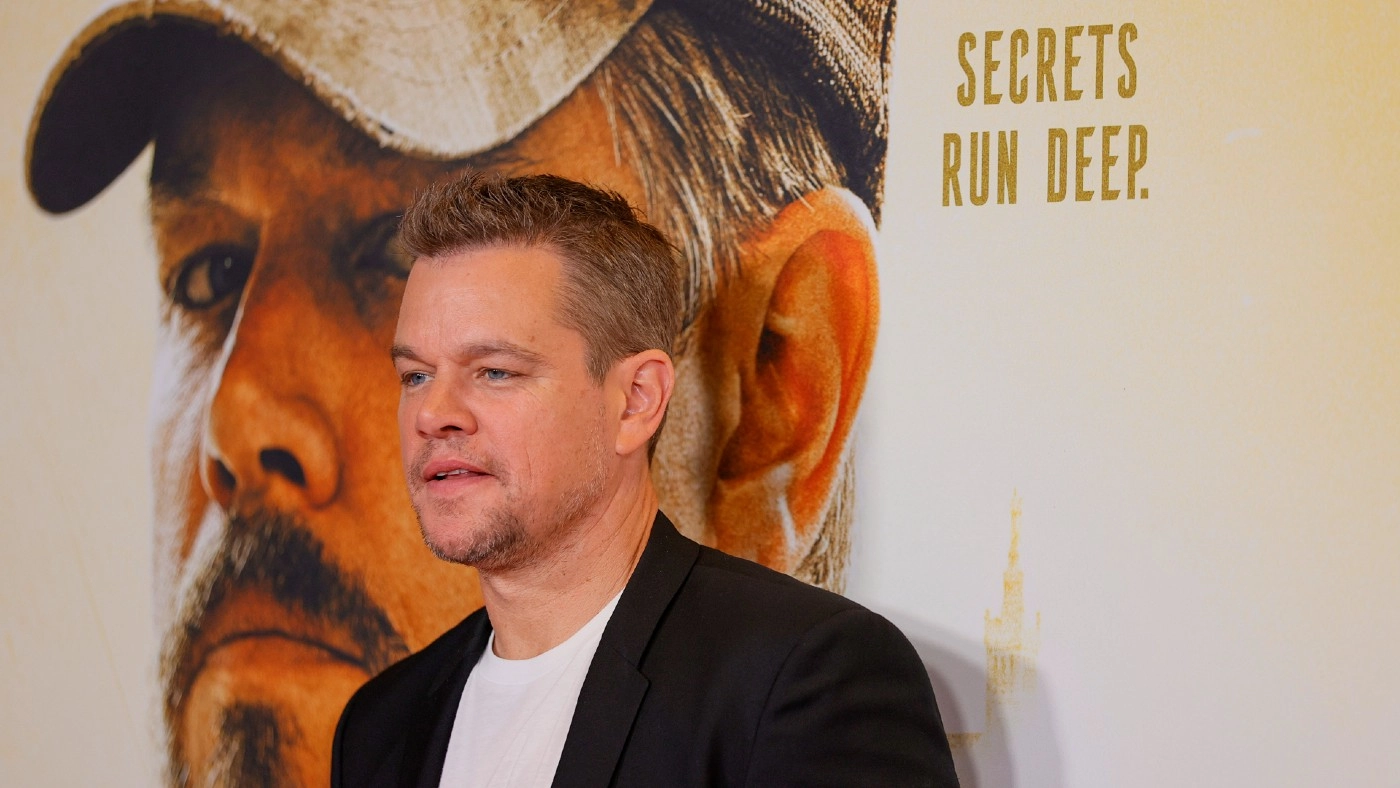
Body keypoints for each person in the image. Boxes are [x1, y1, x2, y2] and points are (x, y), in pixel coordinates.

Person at [26, 0, 892, 783]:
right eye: (210, 273)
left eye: (392, 255)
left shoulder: (815, 691)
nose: (236, 417)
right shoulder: (383, 724)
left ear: (780, 386)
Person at [331, 170, 956, 786]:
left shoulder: (805, 680)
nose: (433, 414)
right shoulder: (382, 724)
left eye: (495, 371)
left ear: (636, 400)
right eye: (415, 376)